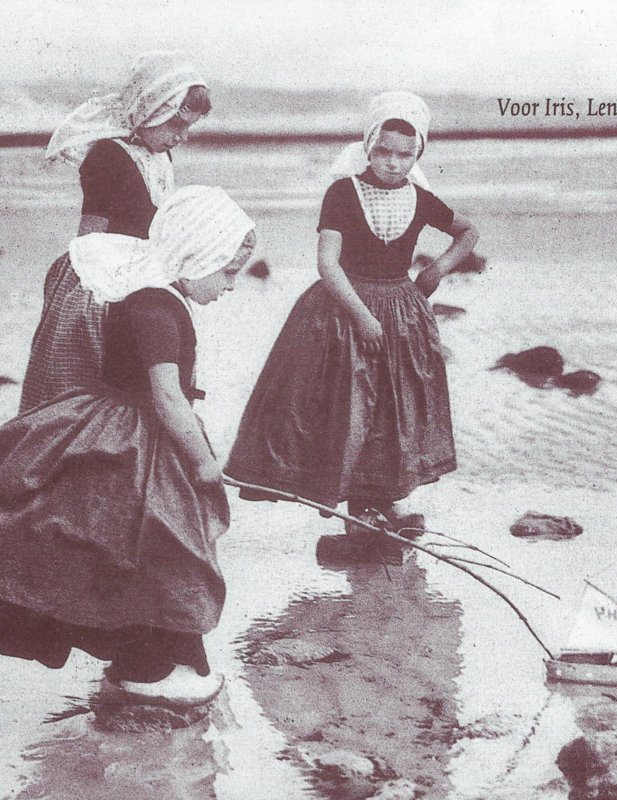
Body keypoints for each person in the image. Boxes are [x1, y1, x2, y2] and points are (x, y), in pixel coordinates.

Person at [0, 185, 256, 706]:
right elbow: (167, 396)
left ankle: (151, 661)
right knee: (157, 545)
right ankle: (148, 667)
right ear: (197, 255)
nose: (231, 285)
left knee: (146, 545)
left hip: (115, 427)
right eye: (228, 271)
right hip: (134, 439)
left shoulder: (147, 293)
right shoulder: (158, 307)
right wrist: (204, 463)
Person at [225, 91, 478, 530]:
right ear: (368, 146)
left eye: (405, 154)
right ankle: (350, 505)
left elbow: (468, 232)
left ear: (417, 154)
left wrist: (436, 271)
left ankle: (382, 499)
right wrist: (361, 315)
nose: (393, 163)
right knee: (344, 405)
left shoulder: (420, 198)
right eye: (383, 151)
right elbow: (327, 263)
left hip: (400, 312)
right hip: (343, 308)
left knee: (393, 406)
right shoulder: (343, 192)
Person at [20, 51, 211, 411]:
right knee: (92, 380)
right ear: (149, 111)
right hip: (102, 277)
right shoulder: (108, 155)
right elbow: (90, 236)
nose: (183, 137)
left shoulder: (160, 155)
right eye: (176, 126)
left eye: (188, 128)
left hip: (141, 273)